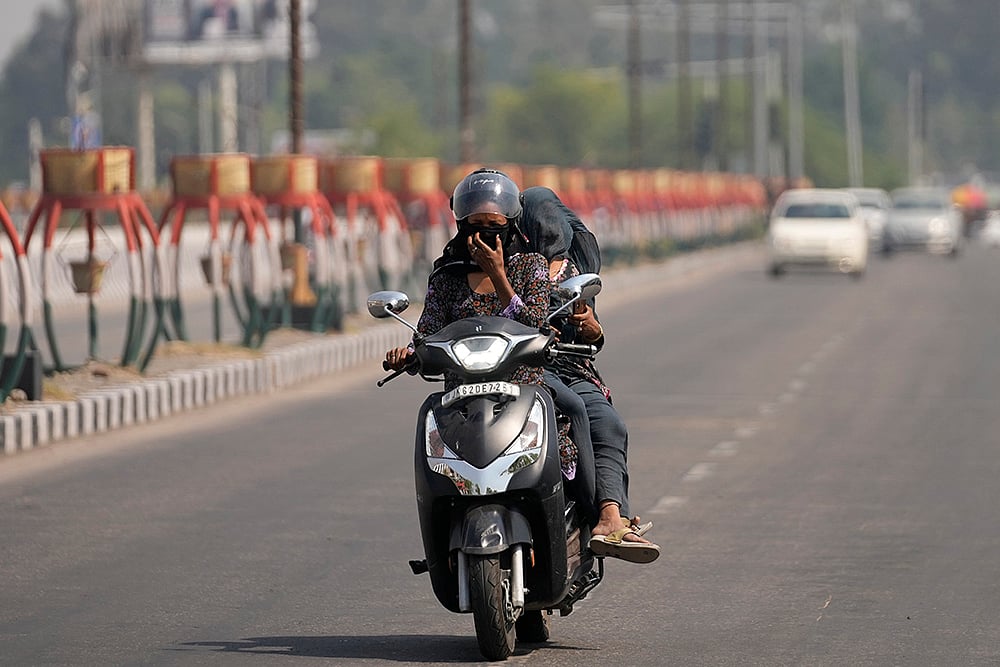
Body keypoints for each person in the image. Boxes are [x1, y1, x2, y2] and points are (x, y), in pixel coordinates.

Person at [384, 169, 595, 502]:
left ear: (510, 227)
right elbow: (427, 333)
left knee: (575, 409)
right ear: (461, 227)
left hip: (525, 385)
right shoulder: (446, 276)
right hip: (461, 394)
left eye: (493, 228)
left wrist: (498, 274)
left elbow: (536, 323)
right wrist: (410, 356)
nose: (483, 236)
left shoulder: (531, 267)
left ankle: (590, 511)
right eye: (475, 227)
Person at [521, 185, 660, 565]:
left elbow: (595, 336)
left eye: (553, 222)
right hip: (525, 368)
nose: (548, 231)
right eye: (540, 222)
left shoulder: (574, 270)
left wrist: (590, 326)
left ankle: (610, 517)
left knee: (610, 424)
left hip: (571, 366)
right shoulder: (517, 265)